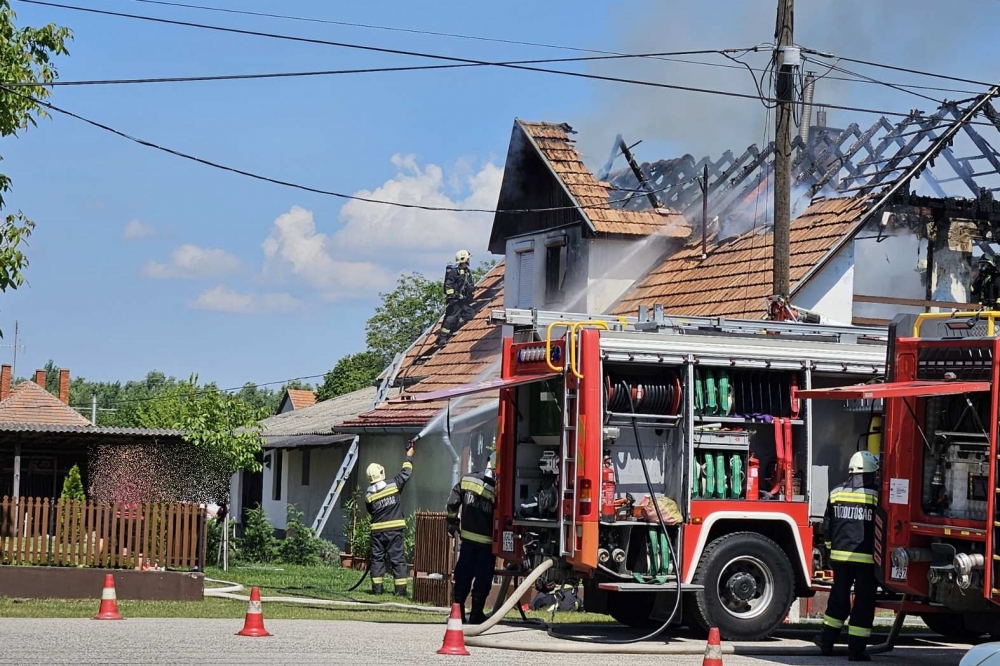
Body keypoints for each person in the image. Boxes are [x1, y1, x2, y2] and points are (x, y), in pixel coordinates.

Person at [815, 451, 880, 662]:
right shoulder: (876, 497)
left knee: (838, 598)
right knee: (863, 602)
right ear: (871, 473)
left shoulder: (836, 493)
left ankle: (826, 641)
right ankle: (856, 650)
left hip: (840, 558)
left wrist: (828, 551)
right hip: (867, 561)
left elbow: (827, 526)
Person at [446, 459, 496, 624]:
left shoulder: (468, 479)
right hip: (487, 544)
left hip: (467, 540)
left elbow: (453, 501)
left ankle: (457, 611)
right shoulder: (498, 489)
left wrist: (452, 522)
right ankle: (476, 613)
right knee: (483, 578)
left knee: (463, 575)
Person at [365, 443, 414, 597]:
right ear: (381, 473)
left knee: (377, 559)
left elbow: (370, 511)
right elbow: (406, 472)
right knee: (397, 559)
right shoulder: (393, 485)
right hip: (394, 531)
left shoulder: (368, 496)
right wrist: (409, 455)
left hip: (377, 533)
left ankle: (377, 589)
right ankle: (400, 591)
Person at [436, 250, 475, 346]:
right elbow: (448, 285)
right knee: (451, 317)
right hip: (454, 300)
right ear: (464, 259)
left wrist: (471, 291)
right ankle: (443, 338)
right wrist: (452, 294)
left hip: (463, 300)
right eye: (468, 259)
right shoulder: (453, 271)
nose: (469, 260)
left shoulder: (467, 272)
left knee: (470, 314)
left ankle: (456, 324)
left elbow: (469, 284)